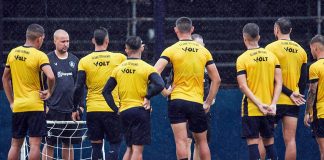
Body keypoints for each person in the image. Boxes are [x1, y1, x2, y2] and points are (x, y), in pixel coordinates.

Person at [154, 17, 221, 160]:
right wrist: (208, 102)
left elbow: (154, 72)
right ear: (192, 30)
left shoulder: (171, 50)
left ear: (176, 30)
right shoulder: (204, 51)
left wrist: (165, 92)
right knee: (202, 141)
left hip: (177, 100)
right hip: (197, 102)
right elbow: (217, 79)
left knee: (181, 141)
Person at [102, 36, 165, 160]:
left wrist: (116, 109)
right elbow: (160, 84)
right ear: (141, 48)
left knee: (130, 148)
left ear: (126, 49)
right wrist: (147, 96)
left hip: (124, 112)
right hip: (140, 111)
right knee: (137, 150)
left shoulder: (118, 69)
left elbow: (106, 91)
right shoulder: (147, 68)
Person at [2, 24, 55, 160]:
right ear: (39, 39)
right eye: (43, 39)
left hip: (19, 105)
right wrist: (49, 91)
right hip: (35, 105)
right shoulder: (39, 55)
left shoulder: (13, 53)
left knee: (15, 144)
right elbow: (51, 76)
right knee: (35, 144)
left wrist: (12, 101)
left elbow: (5, 78)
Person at [73, 27, 126, 160]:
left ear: (93, 41)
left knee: (96, 146)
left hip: (93, 109)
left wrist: (75, 108)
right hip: (113, 108)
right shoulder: (119, 58)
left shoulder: (84, 61)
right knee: (115, 144)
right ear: (107, 41)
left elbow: (78, 87)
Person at [236, 23, 282, 160]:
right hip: (269, 108)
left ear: (244, 38)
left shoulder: (242, 58)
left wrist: (258, 104)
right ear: (259, 37)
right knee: (269, 143)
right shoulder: (272, 56)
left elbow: (243, 86)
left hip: (252, 108)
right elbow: (279, 82)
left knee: (253, 142)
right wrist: (273, 103)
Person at [265, 17, 307, 160]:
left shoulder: (270, 48)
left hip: (273, 100)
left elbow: (270, 77)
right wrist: (296, 94)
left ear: (276, 29)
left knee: (265, 138)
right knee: (290, 140)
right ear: (290, 30)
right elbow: (303, 80)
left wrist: (287, 93)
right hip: (293, 102)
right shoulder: (301, 51)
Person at [41, 29, 82, 160]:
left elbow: (80, 86)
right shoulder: (47, 59)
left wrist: (79, 107)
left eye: (68, 41)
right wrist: (44, 106)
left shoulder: (75, 60)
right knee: (50, 143)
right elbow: (40, 85)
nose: (66, 44)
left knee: (68, 142)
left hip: (70, 110)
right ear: (55, 41)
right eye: (63, 41)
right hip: (52, 109)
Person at [304, 35, 324, 160]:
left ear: (315, 48)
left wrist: (307, 112)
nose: (311, 52)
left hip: (321, 113)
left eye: (311, 49)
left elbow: (312, 91)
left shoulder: (315, 67)